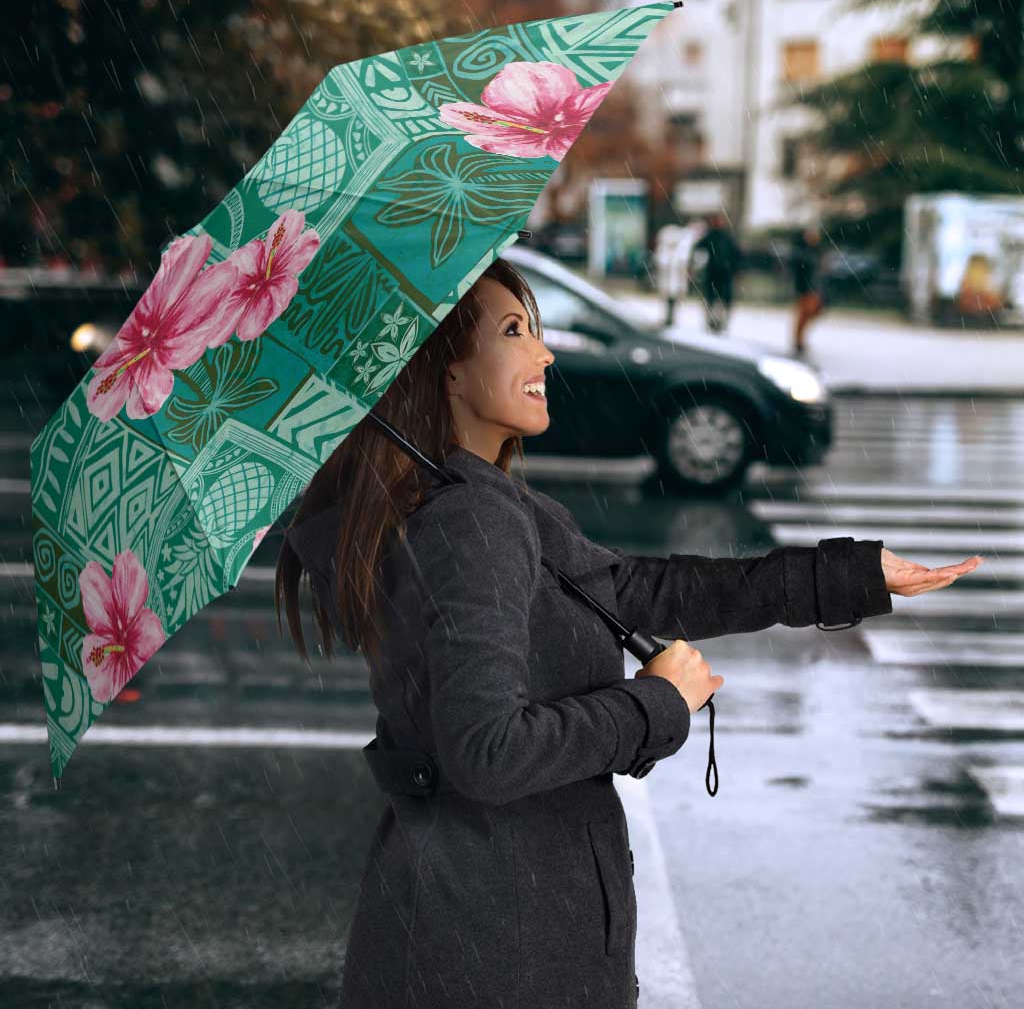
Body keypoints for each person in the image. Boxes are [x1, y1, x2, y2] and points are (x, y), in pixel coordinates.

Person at [276, 256, 979, 1009]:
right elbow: (487, 753)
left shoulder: (476, 503)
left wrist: (850, 576)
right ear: (445, 370)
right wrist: (655, 704)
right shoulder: (470, 521)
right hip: (499, 947)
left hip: (479, 926)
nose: (544, 353)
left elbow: (641, 590)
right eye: (514, 331)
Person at [692, 211, 742, 334]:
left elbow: (736, 255)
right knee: (713, 299)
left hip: (723, 273)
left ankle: (719, 322)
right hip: (715, 273)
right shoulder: (712, 236)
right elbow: (698, 249)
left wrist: (735, 269)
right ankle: (713, 322)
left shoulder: (725, 237)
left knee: (720, 300)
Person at [790, 224, 826, 355]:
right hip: (805, 288)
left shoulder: (817, 251)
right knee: (804, 314)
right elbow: (799, 271)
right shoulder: (802, 252)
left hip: (814, 288)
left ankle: (799, 339)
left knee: (812, 313)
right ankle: (798, 340)